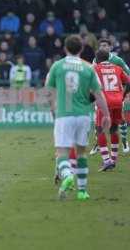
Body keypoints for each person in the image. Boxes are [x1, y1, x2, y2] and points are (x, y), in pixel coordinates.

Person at [46, 35, 110, 201]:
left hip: (64, 114)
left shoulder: (57, 66)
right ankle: (82, 191)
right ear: (81, 49)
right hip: (83, 116)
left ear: (65, 48)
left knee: (62, 152)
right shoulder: (88, 68)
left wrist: (53, 109)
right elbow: (98, 94)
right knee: (81, 152)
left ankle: (67, 175)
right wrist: (107, 115)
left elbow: (49, 92)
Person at [90, 38, 130, 155]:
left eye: (106, 46)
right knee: (97, 120)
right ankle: (98, 144)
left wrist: (124, 92)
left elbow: (128, 73)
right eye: (101, 46)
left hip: (117, 92)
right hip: (102, 94)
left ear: (110, 47)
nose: (103, 48)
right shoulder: (95, 60)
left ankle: (124, 142)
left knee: (120, 120)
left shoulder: (118, 60)